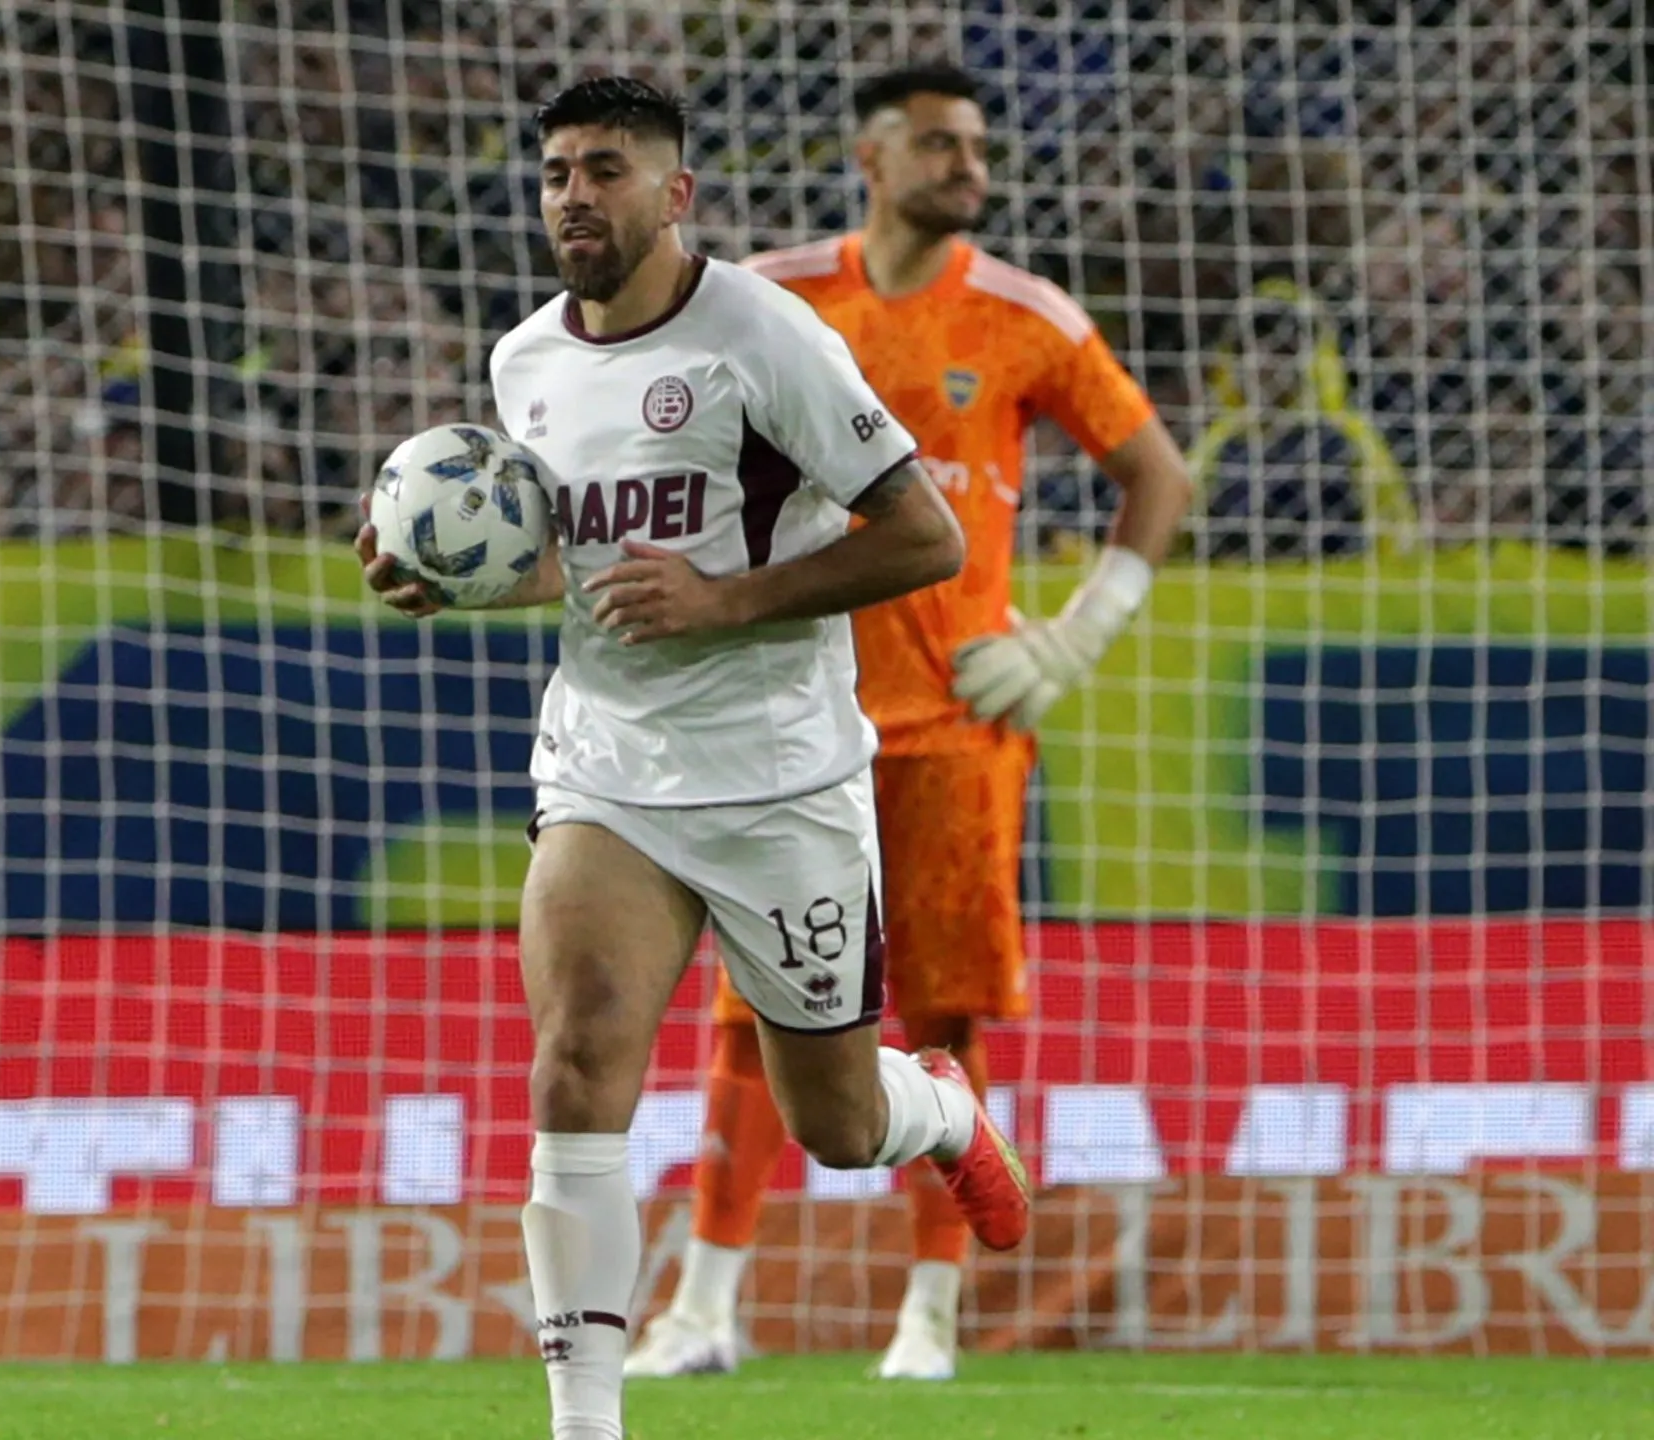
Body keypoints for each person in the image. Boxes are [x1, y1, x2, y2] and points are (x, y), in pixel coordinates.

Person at [356, 75, 1030, 1440]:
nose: (573, 197)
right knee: (574, 1069)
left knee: (836, 1122)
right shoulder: (522, 361)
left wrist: (725, 600)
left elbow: (924, 538)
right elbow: (575, 556)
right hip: (608, 766)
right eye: (555, 171)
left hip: (782, 778)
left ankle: (941, 1110)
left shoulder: (763, 336)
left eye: (605, 170)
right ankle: (586, 1423)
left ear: (675, 195)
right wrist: (456, 576)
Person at [625, 62, 1193, 1383]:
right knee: (750, 1018)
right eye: (940, 144)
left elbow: (1154, 472)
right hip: (783, 721)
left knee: (942, 1013)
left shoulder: (1023, 316)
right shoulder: (765, 299)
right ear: (872, 159)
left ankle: (927, 1320)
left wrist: (1077, 635)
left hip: (950, 730)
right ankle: (702, 1312)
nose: (969, 167)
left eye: (977, 146)